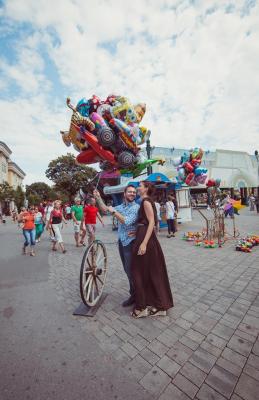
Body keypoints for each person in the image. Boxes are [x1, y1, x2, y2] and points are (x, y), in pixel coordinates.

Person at [130, 181, 174, 318]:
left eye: (140, 186)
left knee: (137, 271)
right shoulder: (145, 201)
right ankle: (159, 305)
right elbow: (146, 223)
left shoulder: (146, 202)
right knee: (149, 271)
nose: (138, 187)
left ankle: (142, 307)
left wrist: (143, 243)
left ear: (146, 188)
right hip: (144, 236)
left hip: (145, 240)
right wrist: (137, 232)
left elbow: (152, 223)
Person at [94, 185, 139, 307]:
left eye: (134, 192)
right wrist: (98, 198)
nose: (132, 193)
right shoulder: (120, 207)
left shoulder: (136, 207)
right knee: (126, 270)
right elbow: (104, 210)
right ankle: (134, 294)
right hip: (122, 241)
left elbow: (127, 221)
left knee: (131, 271)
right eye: (130, 192)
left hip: (131, 243)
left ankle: (137, 296)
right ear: (124, 194)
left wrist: (113, 211)